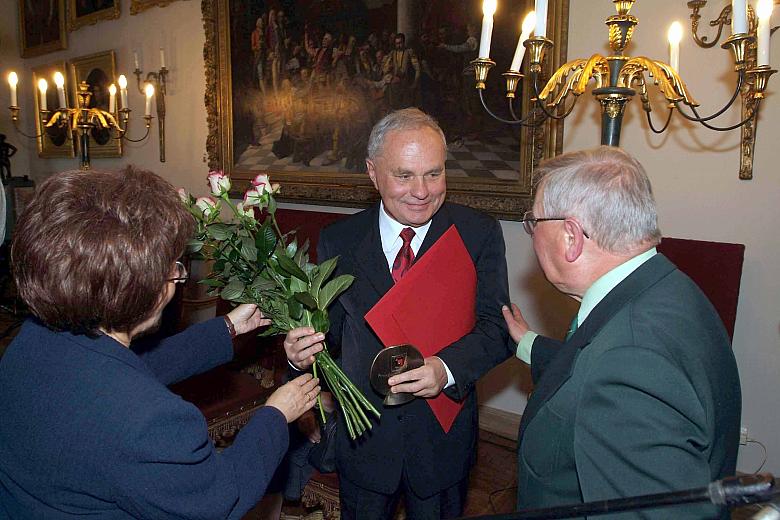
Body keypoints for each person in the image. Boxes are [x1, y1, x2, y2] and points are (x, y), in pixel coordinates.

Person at [0, 167, 321, 518]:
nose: (177, 280)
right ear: (136, 291)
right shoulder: (153, 421)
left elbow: (127, 371)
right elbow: (221, 499)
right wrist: (275, 414)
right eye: (172, 269)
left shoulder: (34, 338)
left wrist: (227, 327)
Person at [283, 108, 513, 519]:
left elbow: (498, 329)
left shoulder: (477, 233)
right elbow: (330, 336)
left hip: (440, 437)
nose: (421, 191)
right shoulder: (339, 239)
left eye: (434, 173)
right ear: (373, 173)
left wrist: (445, 369)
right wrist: (300, 354)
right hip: (365, 440)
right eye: (404, 175)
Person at [502, 146, 741, 519]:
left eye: (534, 221)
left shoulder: (632, 361)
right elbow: (588, 360)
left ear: (571, 237)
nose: (531, 235)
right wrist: (531, 344)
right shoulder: (665, 287)